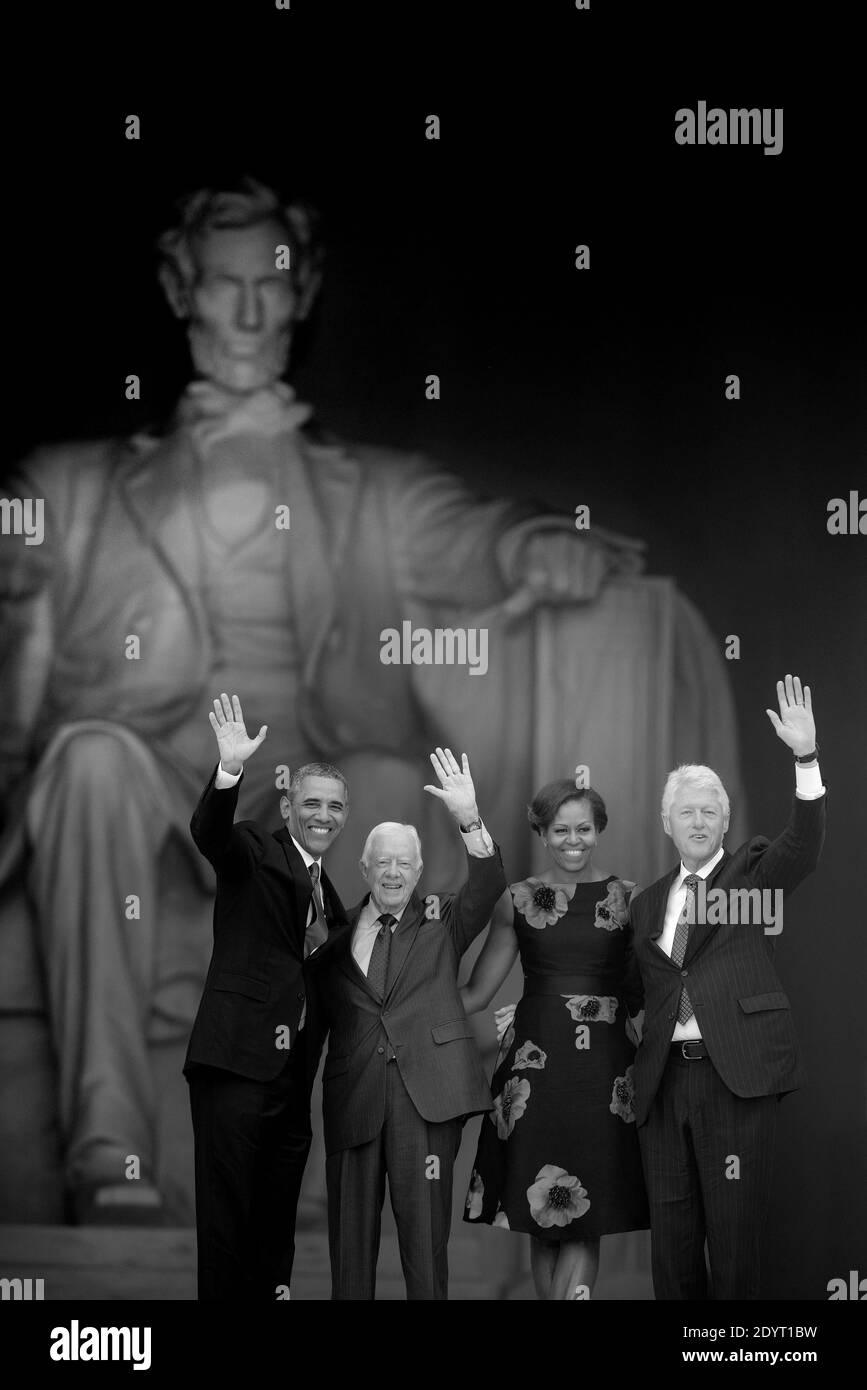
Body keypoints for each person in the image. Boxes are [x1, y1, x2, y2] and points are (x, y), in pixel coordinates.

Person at [0, 175, 662, 1221]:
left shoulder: (371, 491)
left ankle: (337, 1148)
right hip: (138, 791)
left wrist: (535, 541)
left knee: (384, 783)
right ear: (180, 291)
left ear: (302, 290)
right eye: (224, 287)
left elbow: (476, 536)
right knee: (85, 757)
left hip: (302, 797)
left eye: (269, 284)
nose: (251, 314)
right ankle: (109, 1151)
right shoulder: (75, 490)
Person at [630, 674, 826, 1300]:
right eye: (685, 811)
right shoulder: (647, 903)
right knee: (673, 1256)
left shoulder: (752, 874)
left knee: (737, 1253)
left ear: (726, 820)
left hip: (735, 1078)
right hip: (665, 1087)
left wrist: (806, 757)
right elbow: (640, 988)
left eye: (708, 811)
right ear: (667, 823)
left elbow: (805, 845)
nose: (697, 820)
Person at [303, 747, 506, 1300]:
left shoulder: (443, 922)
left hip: (428, 1102)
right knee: (349, 1259)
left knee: (425, 1252)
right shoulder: (333, 934)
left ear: (418, 872)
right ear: (365, 870)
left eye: (404, 863)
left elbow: (488, 887)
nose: (393, 872)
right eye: (382, 863)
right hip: (354, 1102)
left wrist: (469, 818)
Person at [184, 692, 349, 1300]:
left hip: (291, 1081)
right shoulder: (255, 848)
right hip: (234, 1064)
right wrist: (229, 770)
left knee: (273, 1232)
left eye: (335, 806)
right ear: (287, 806)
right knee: (227, 1226)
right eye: (311, 804)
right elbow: (210, 834)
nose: (323, 816)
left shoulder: (331, 900)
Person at [459, 779, 649, 1299]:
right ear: (541, 833)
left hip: (607, 1073)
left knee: (586, 1210)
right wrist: (402, 1002)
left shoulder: (631, 899)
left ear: (599, 830)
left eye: (584, 828)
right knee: (542, 1208)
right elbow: (475, 993)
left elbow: (645, 995)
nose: (573, 839)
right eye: (561, 829)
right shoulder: (515, 900)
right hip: (533, 1067)